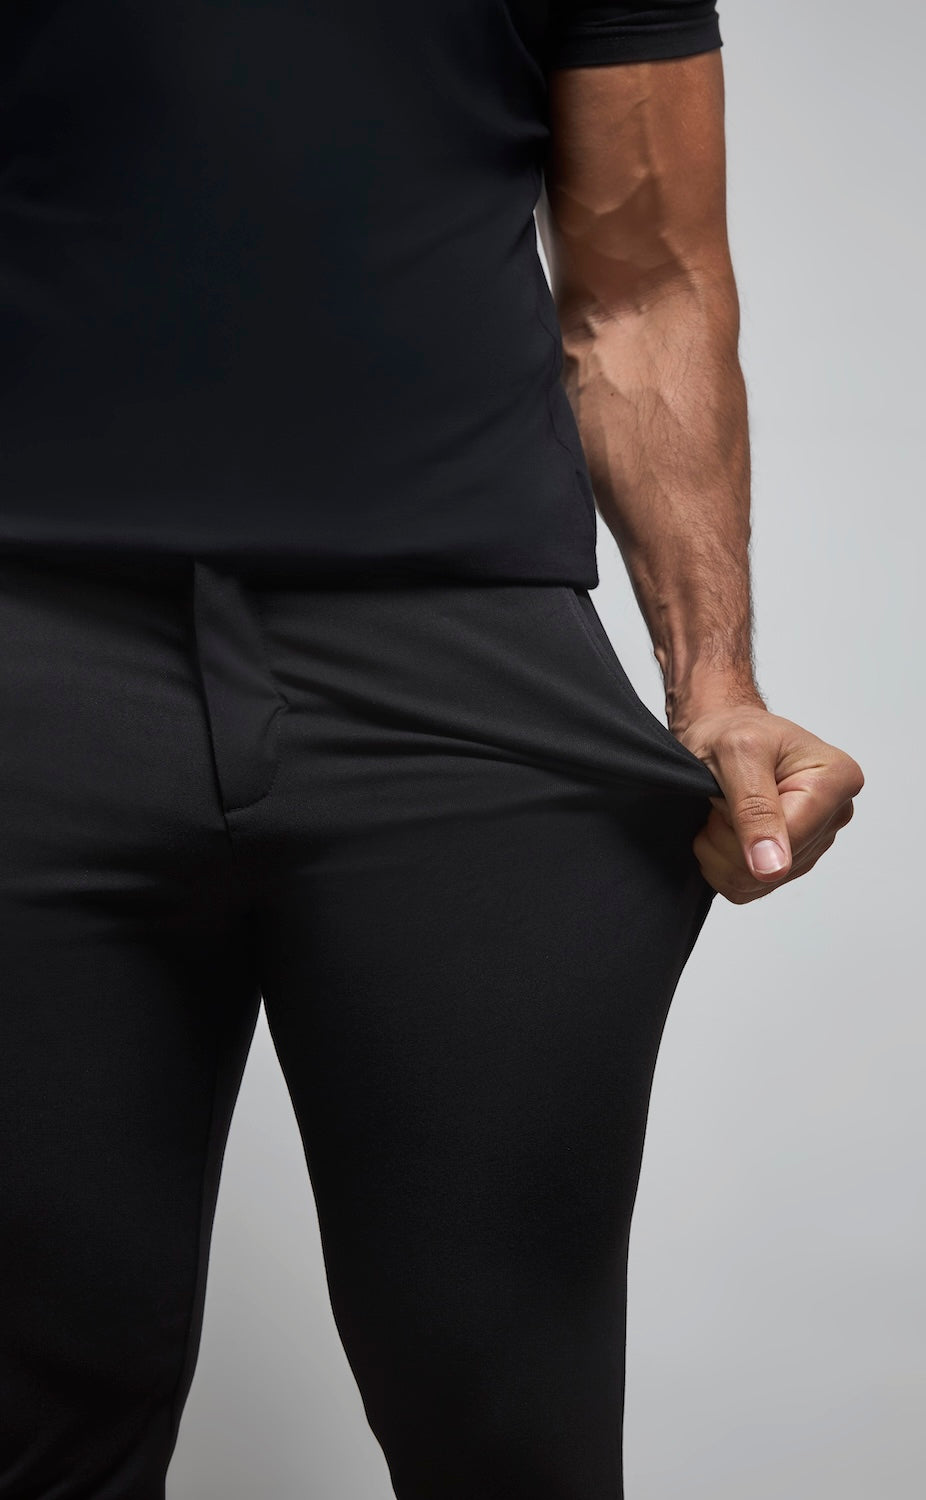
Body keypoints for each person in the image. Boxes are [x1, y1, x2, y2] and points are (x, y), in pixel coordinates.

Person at [0, 0, 864, 1495]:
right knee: (31, 1423)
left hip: (470, 683)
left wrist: (716, 687)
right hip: (27, 645)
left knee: (509, 1425)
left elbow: (645, 286)